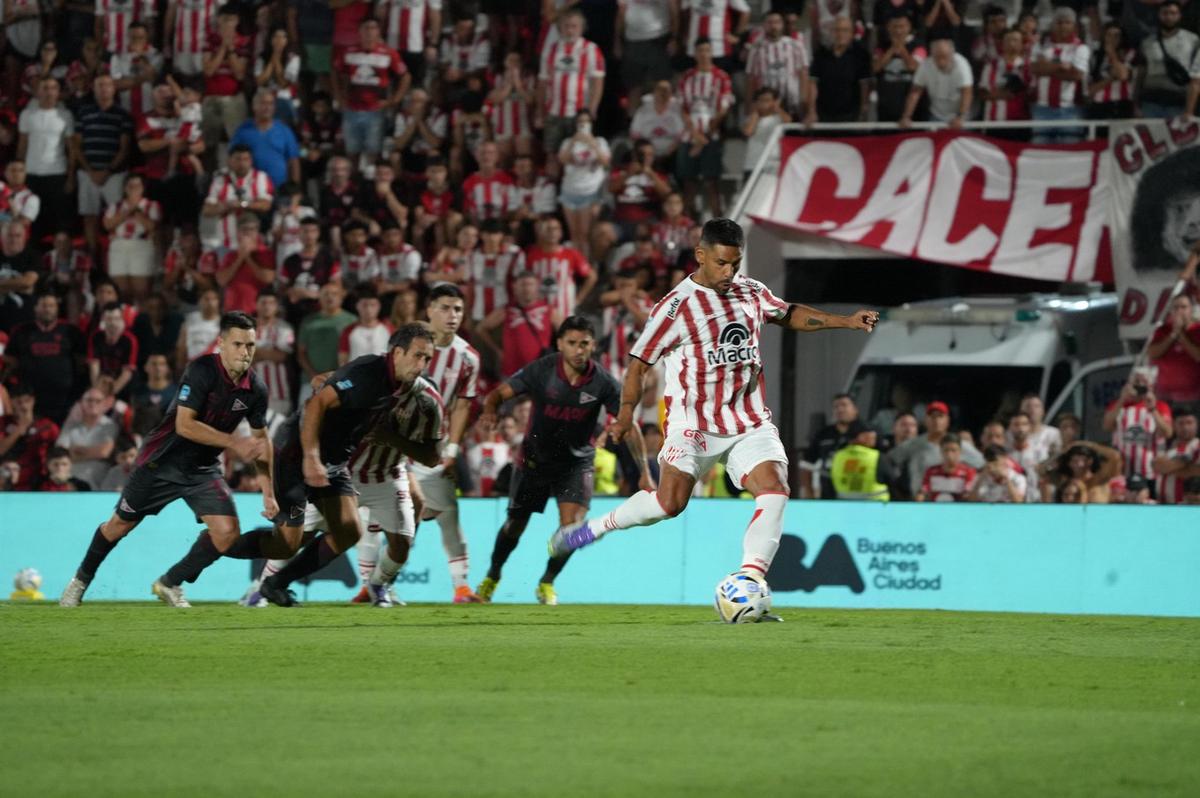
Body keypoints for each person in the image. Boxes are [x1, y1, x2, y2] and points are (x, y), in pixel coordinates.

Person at [548, 220, 879, 604]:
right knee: (669, 504)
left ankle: (748, 582)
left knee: (775, 488)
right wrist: (624, 417)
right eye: (721, 263)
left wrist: (845, 321)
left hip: (748, 420)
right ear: (701, 255)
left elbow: (787, 313)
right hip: (694, 424)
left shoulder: (751, 291)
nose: (728, 273)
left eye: (735, 264)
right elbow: (638, 365)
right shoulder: (675, 308)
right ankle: (592, 530)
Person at [59, 312, 273, 607]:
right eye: (238, 344)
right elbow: (185, 426)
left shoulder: (256, 389)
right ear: (221, 343)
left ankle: (170, 583)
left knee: (227, 533)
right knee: (118, 526)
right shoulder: (202, 370)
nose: (245, 352)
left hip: (201, 469)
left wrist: (268, 491)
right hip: (160, 462)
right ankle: (80, 581)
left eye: (250, 345)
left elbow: (262, 442)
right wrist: (234, 442)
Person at [256, 324, 442, 607]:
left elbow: (432, 457)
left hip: (386, 475)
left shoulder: (428, 401)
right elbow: (324, 390)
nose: (421, 365)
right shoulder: (369, 376)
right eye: (417, 356)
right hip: (346, 470)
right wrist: (312, 455)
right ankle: (260, 588)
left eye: (427, 359)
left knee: (402, 544)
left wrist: (391, 439)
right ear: (397, 353)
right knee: (297, 535)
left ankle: (377, 587)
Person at [477, 315, 653, 605]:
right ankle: (492, 575)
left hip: (575, 464)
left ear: (593, 345)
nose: (578, 350)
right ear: (560, 344)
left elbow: (628, 424)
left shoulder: (603, 382)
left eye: (584, 343)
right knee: (514, 526)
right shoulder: (542, 370)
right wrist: (490, 409)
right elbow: (499, 393)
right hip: (534, 462)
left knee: (572, 529)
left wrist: (644, 471)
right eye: (572, 343)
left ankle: (547, 582)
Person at [405, 283, 483, 602]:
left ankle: (461, 586)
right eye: (445, 308)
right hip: (396, 446)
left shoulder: (468, 357)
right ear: (429, 310)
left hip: (433, 450)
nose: (453, 315)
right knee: (382, 519)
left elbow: (463, 405)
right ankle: (373, 585)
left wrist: (452, 448)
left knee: (449, 514)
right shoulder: (408, 344)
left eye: (458, 309)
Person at [334, 17, 408, 172]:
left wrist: (394, 100)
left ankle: (370, 181)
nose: (369, 32)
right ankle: (354, 181)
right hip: (351, 109)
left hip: (375, 110)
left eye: (373, 28)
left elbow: (405, 76)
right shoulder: (348, 52)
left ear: (378, 31)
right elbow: (335, 72)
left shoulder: (389, 53)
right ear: (359, 31)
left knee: (373, 152)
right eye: (366, 28)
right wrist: (339, 96)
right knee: (352, 151)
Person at [537, 9, 606, 178]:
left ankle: (573, 189)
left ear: (582, 28)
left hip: (579, 113)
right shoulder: (551, 49)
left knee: (577, 153)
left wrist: (592, 109)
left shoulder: (591, 49)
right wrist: (540, 111)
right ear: (559, 28)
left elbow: (597, 83)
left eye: (574, 26)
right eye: (566, 26)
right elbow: (542, 82)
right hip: (554, 111)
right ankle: (552, 190)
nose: (570, 30)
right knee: (552, 155)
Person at [72, 73, 133, 256]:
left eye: (107, 85)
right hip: (88, 173)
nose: (104, 89)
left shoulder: (123, 114)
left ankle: (116, 254)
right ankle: (92, 257)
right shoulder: (83, 112)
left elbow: (124, 148)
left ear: (114, 89)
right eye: (100, 85)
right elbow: (76, 144)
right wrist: (90, 171)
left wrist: (108, 170)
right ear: (93, 88)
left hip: (114, 174)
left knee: (116, 215)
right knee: (89, 216)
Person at [676, 38, 734, 217]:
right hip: (689, 135)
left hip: (712, 134)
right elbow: (683, 109)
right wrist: (695, 134)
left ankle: (719, 221)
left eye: (707, 50)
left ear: (712, 53)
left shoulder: (721, 77)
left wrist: (704, 138)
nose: (703, 54)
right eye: (700, 50)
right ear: (694, 54)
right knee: (688, 182)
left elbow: (723, 110)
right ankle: (687, 221)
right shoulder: (686, 77)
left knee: (711, 181)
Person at [6, 291, 81, 424]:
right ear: (35, 308)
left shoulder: (71, 331)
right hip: (31, 400)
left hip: (64, 399)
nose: (47, 309)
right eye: (43, 305)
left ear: (57, 308)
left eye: (51, 306)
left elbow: (81, 362)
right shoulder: (21, 331)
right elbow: (11, 361)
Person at [17, 76, 74, 244]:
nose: (49, 92)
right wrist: (20, 177)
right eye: (45, 88)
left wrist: (71, 177)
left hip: (57, 173)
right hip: (32, 174)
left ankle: (57, 257)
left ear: (58, 92)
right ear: (37, 92)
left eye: (53, 88)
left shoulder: (65, 115)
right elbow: (22, 146)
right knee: (33, 222)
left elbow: (72, 148)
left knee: (59, 222)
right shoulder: (27, 114)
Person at [477, 270, 561, 378]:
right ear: (515, 287)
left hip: (540, 373)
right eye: (523, 285)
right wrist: (497, 351)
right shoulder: (506, 310)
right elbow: (481, 328)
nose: (526, 289)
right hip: (511, 372)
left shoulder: (548, 310)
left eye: (530, 284)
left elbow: (568, 333)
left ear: (537, 287)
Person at [1029, 7, 1089, 145]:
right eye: (1059, 22)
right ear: (1053, 24)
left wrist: (1046, 67)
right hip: (1042, 108)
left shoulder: (1081, 48)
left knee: (1070, 150)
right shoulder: (1040, 45)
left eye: (1067, 22)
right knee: (1039, 150)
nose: (1063, 26)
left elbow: (1076, 75)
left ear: (1074, 25)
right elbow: (1035, 69)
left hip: (1070, 109)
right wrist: (1061, 66)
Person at [1103, 369, 1173, 485]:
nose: (1139, 386)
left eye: (1144, 382)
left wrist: (1152, 409)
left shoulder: (1160, 406)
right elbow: (1107, 426)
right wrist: (1122, 399)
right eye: (1136, 382)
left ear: (1151, 386)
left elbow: (1167, 433)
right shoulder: (1117, 406)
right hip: (1122, 474)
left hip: (1151, 473)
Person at [202, 144, 274, 253]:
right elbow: (207, 210)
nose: (242, 163)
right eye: (238, 159)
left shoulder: (261, 178)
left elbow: (265, 205)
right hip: (226, 244)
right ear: (230, 160)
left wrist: (242, 204)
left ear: (251, 160)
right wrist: (227, 205)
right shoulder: (220, 180)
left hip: (255, 246)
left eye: (246, 159)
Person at [557, 111, 610, 258]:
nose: (583, 124)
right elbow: (562, 160)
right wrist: (574, 141)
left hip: (590, 191)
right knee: (574, 233)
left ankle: (587, 262)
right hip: (570, 191)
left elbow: (605, 162)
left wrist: (591, 143)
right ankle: (576, 263)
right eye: (580, 121)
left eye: (586, 121)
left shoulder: (600, 141)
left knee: (585, 234)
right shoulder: (567, 142)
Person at [524, 215, 596, 321]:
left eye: (556, 229)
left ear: (561, 232)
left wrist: (578, 299)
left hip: (564, 312)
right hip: (538, 314)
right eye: (548, 229)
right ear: (540, 232)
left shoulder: (571, 254)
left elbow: (592, 276)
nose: (553, 232)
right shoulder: (531, 255)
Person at [1137, 1, 1200, 120]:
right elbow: (1140, 75)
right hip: (1151, 103)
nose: (1169, 17)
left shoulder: (1193, 41)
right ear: (1159, 15)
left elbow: (1196, 79)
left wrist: (1189, 111)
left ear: (1179, 15)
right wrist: (1136, 105)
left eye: (1173, 13)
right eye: (1165, 13)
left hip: (1179, 104)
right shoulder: (1147, 43)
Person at [805, 17, 872, 127]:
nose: (840, 34)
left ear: (852, 33)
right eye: (837, 30)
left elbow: (864, 85)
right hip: (823, 115)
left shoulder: (860, 55)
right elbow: (813, 84)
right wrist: (811, 111)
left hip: (851, 115)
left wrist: (863, 111)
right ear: (831, 32)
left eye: (845, 30)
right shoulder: (821, 54)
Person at [103, 173, 160, 301]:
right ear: (125, 188)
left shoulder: (151, 205)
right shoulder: (115, 206)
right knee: (120, 291)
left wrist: (136, 210)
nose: (134, 188)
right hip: (118, 246)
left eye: (137, 185)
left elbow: (151, 226)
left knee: (141, 291)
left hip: (141, 245)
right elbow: (107, 224)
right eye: (130, 185)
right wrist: (128, 210)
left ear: (143, 188)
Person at [229, 89, 301, 190]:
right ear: (254, 106)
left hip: (280, 189)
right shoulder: (243, 130)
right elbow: (232, 158)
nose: (267, 107)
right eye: (263, 103)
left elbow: (294, 161)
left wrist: (295, 190)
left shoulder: (284, 130)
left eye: (271, 104)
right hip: (252, 190)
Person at [746, 10, 810, 119]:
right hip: (766, 106)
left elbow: (803, 74)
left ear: (782, 24)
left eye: (777, 22)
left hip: (792, 102)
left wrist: (803, 100)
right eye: (770, 22)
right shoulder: (756, 49)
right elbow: (751, 78)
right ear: (764, 26)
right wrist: (749, 106)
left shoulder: (795, 46)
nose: (773, 26)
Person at [899, 37, 972, 128]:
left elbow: (967, 93)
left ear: (952, 54)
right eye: (937, 57)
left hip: (960, 115)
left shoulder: (962, 64)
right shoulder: (926, 65)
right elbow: (915, 92)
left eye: (944, 57)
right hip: (936, 114)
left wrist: (960, 116)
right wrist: (906, 116)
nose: (941, 61)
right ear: (932, 55)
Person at [0, 382, 60, 490]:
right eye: (18, 402)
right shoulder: (3, 423)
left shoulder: (47, 426)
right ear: (11, 402)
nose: (23, 406)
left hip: (38, 482)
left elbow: (59, 453)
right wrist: (19, 429)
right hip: (7, 481)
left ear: (33, 400)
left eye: (27, 401)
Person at [800, 393, 859, 499]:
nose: (840, 409)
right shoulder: (823, 434)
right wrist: (809, 491)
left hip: (859, 495)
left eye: (844, 405)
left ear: (855, 409)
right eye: (836, 406)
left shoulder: (867, 432)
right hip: (828, 494)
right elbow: (807, 464)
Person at [873, 13, 925, 124]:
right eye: (894, 26)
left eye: (902, 26)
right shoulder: (881, 46)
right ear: (888, 28)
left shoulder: (919, 46)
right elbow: (876, 67)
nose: (898, 31)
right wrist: (892, 49)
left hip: (911, 104)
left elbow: (914, 67)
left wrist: (901, 49)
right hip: (886, 102)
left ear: (909, 27)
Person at [1148, 293, 1200, 404]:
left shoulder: (1197, 329)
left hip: (1195, 397)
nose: (1179, 311)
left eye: (1183, 307)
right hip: (1166, 398)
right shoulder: (1162, 330)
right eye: (1176, 307)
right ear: (1171, 311)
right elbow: (1152, 354)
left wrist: (1181, 335)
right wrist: (1173, 335)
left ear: (1191, 309)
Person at [251, 287, 295, 417]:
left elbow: (281, 356)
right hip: (251, 393)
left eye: (271, 303)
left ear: (276, 306)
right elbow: (241, 358)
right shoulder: (246, 328)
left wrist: (254, 351)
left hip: (278, 393)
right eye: (263, 302)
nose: (267, 306)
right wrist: (270, 352)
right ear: (256, 305)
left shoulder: (285, 328)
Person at [830, 421, 895, 500]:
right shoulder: (877, 456)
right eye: (871, 435)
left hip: (844, 504)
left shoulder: (838, 456)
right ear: (861, 436)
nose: (874, 438)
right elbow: (893, 481)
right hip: (875, 505)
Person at [88, 301, 139, 398]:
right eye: (109, 319)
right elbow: (94, 366)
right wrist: (97, 391)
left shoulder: (129, 340)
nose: (113, 323)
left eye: (116, 318)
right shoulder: (96, 336)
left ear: (122, 319)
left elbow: (127, 372)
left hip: (122, 387)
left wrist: (111, 393)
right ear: (103, 319)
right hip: (101, 383)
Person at [1153, 408, 1200, 505]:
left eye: (1189, 423)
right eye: (1181, 423)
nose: (1185, 427)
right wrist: (1186, 463)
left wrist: (1168, 468)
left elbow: (1195, 471)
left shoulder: (1197, 446)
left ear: (1197, 425)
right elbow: (1157, 466)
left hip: (1188, 505)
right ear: (1174, 425)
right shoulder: (1166, 445)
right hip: (1161, 505)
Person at [337, 284, 391, 364]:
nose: (368, 309)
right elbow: (342, 360)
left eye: (373, 305)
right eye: (364, 305)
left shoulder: (389, 329)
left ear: (379, 306)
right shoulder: (348, 331)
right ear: (357, 306)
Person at [176, 285, 222, 371]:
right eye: (206, 299)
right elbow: (182, 346)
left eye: (214, 299)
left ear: (218, 302)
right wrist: (180, 366)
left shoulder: (224, 324)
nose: (210, 302)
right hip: (193, 367)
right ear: (200, 301)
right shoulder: (190, 319)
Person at [916, 436, 975, 502]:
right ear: (941, 451)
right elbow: (923, 490)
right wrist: (921, 496)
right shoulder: (931, 471)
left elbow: (969, 494)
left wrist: (967, 495)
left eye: (953, 450)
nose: (949, 454)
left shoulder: (968, 472)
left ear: (960, 451)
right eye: (946, 450)